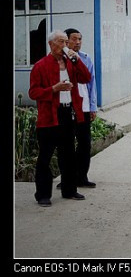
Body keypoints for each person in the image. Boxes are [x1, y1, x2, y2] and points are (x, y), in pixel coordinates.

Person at [29, 30, 92, 207]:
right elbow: (33, 92)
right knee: (45, 157)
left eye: (66, 42)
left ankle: (69, 189)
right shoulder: (41, 65)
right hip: (49, 116)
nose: (65, 45)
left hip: (67, 114)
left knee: (68, 155)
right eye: (61, 42)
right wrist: (54, 89)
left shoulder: (70, 63)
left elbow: (86, 78)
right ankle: (42, 194)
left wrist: (77, 60)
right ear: (51, 44)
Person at [64, 28, 98, 189]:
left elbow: (92, 84)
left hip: (83, 107)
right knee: (66, 144)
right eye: (74, 39)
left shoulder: (85, 58)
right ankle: (68, 178)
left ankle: (82, 176)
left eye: (80, 39)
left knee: (84, 143)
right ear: (66, 41)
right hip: (65, 106)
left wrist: (92, 107)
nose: (77, 42)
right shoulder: (60, 59)